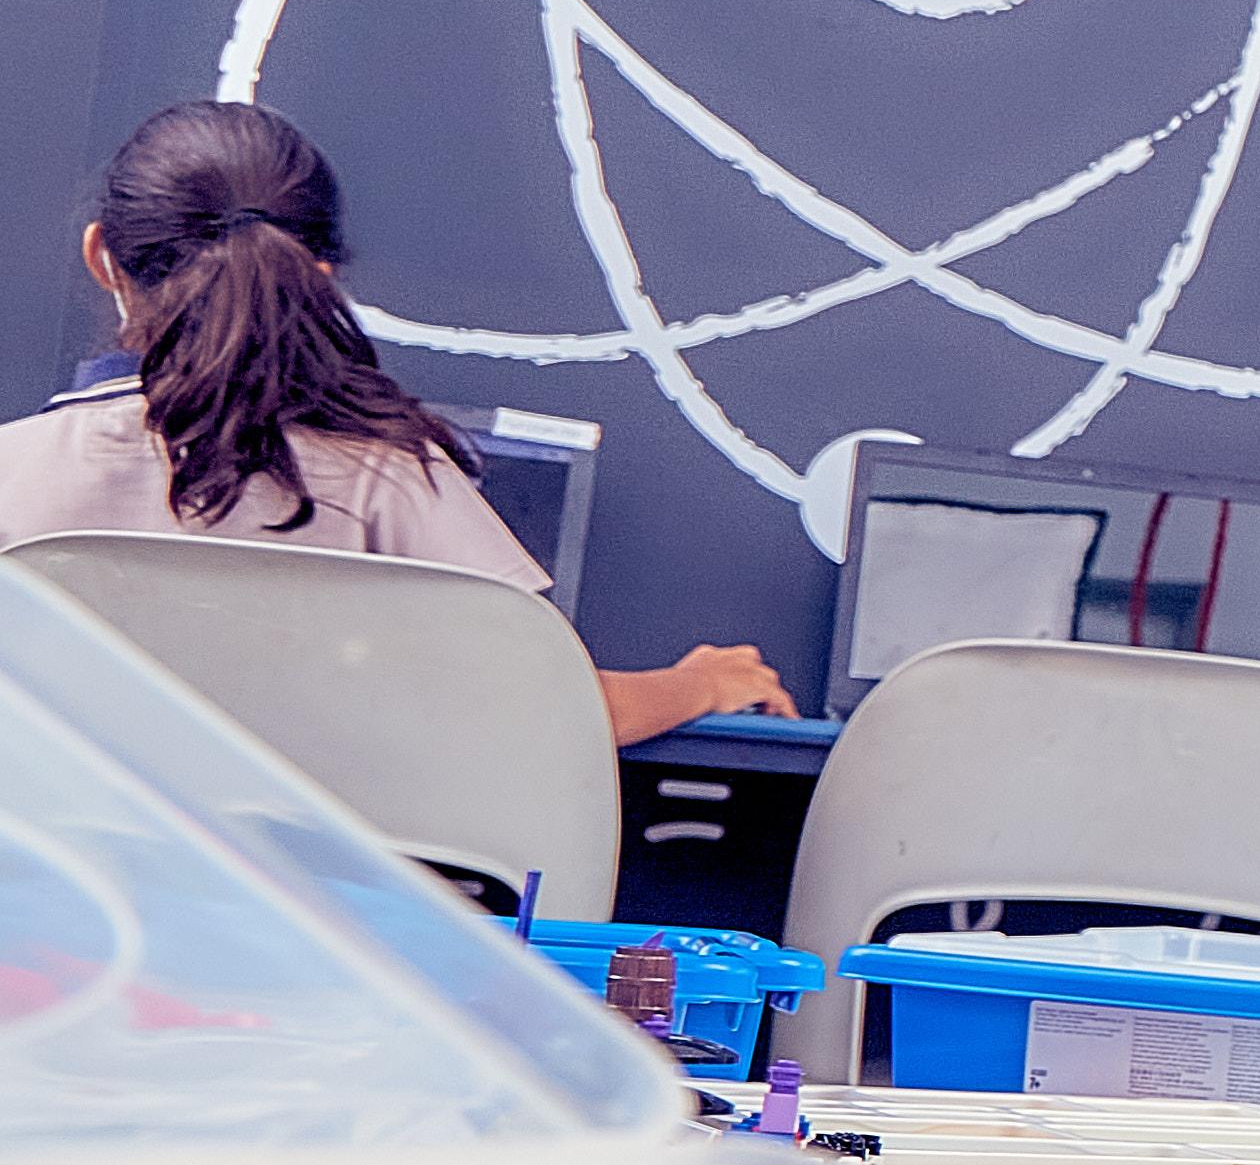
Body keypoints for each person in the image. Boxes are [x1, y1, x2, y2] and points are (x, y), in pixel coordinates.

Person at [1, 103, 790, 745]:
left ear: (102, 256)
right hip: (316, 927)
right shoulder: (392, 482)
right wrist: (704, 683)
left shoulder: (14, 471)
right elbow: (551, 713)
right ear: (320, 275)